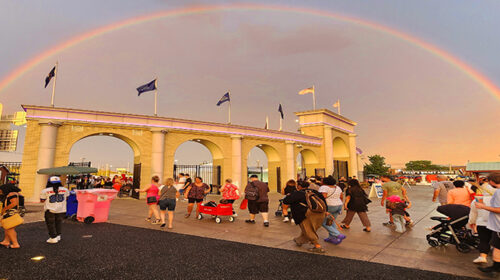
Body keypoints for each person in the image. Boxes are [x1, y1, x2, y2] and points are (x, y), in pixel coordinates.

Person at [283, 180, 327, 253]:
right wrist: (326, 211)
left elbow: (286, 201)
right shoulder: (314, 192)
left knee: (308, 230)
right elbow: (323, 201)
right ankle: (299, 240)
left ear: (299, 186)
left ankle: (318, 246)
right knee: (308, 229)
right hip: (320, 212)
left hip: (306, 213)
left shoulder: (298, 193)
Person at [475, 173, 500, 274]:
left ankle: (495, 268)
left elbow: (499, 209)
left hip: (499, 226)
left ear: (492, 182)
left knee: (497, 248)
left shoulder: (498, 192)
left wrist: (482, 207)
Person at [469, 181, 496, 264]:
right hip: (496, 224)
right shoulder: (497, 198)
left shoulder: (478, 199)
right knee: (497, 242)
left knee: (484, 240)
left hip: (482, 223)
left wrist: (472, 222)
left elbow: (473, 213)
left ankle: (482, 257)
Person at [40, 176, 70, 244]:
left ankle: (53, 237)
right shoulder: (65, 190)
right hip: (61, 209)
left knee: (51, 224)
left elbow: (42, 200)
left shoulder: (45, 191)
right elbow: (67, 198)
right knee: (58, 223)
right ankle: (58, 235)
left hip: (50, 209)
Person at [319, 176, 346, 244]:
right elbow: (341, 197)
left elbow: (323, 197)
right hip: (338, 205)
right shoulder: (337, 187)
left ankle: (338, 234)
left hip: (329, 206)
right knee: (331, 221)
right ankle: (332, 238)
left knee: (323, 222)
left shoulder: (324, 187)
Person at [0, 183, 22, 248]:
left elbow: (14, 203)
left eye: (1, 189)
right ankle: (6, 241)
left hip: (10, 213)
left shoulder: (12, 194)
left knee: (9, 229)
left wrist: (4, 209)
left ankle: (15, 244)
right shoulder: (15, 194)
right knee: (8, 228)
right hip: (12, 213)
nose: (0, 191)